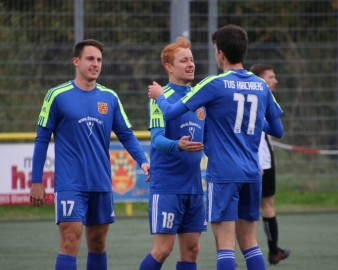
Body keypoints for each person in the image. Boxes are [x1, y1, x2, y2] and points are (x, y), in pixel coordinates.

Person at [148, 25, 284, 270]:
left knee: (225, 246)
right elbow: (277, 130)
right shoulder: (261, 85)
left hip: (223, 174)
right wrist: (248, 123)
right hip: (252, 173)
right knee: (251, 244)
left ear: (220, 53)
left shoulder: (213, 84)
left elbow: (168, 112)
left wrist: (158, 95)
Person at [29, 39, 150, 270]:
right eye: (90, 59)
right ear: (76, 61)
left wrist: (143, 161)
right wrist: (36, 181)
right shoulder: (57, 95)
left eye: (99, 60)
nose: (96, 64)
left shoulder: (110, 98)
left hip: (101, 182)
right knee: (70, 241)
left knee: (98, 242)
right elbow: (42, 139)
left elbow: (125, 134)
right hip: (70, 183)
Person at [139, 37, 207, 270]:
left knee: (192, 250)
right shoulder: (160, 97)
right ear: (168, 67)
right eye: (184, 60)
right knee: (163, 250)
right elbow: (157, 140)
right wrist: (179, 145)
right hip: (168, 185)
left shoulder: (200, 97)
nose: (191, 64)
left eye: (192, 59)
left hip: (194, 186)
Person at [249, 63, 291, 265]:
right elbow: (253, 134)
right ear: (260, 79)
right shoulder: (259, 96)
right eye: (270, 77)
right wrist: (258, 162)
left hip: (263, 159)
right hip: (260, 161)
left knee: (264, 205)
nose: (275, 81)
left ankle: (270, 250)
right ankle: (269, 251)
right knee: (262, 206)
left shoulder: (263, 97)